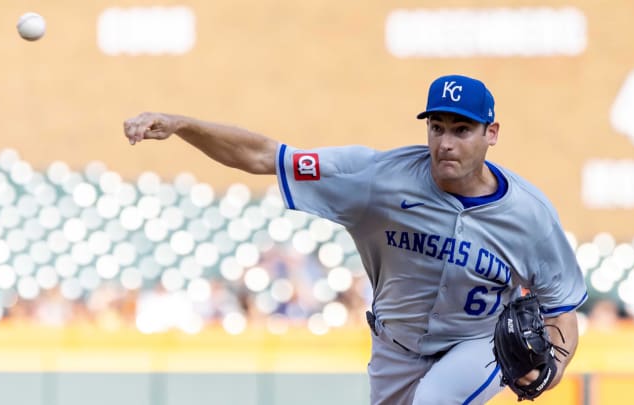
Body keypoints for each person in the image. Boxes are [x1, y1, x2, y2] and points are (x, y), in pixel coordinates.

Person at [123, 74, 588, 404]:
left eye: (462, 130)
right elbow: (266, 156)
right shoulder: (375, 178)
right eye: (437, 127)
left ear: (492, 133)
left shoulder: (530, 216)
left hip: (477, 343)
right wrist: (183, 125)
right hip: (394, 347)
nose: (446, 143)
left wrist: (553, 369)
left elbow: (561, 308)